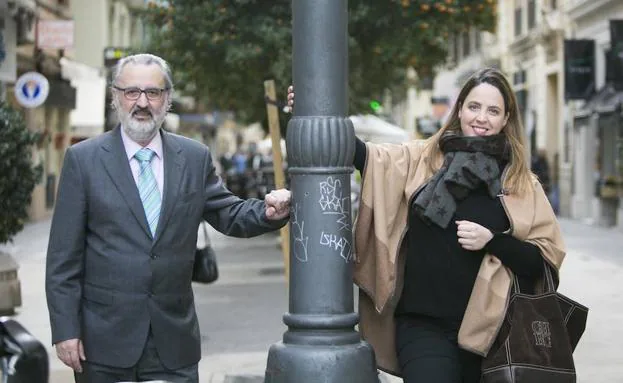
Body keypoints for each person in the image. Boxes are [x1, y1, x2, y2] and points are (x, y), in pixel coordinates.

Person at [287, 67, 565, 382]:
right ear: (460, 109)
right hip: (422, 326)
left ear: (505, 119)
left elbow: (543, 263)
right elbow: (366, 157)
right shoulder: (423, 159)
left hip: (493, 334)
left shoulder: (520, 183)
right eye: (474, 106)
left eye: (493, 111)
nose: (481, 118)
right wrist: (313, 111)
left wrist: (493, 241)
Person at [46, 53, 291, 383]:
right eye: (132, 92)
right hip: (103, 343)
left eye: (153, 92)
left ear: (168, 99)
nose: (142, 102)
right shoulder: (83, 160)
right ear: (115, 96)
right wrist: (65, 330)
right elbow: (63, 258)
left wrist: (268, 211)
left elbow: (228, 213)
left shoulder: (193, 158)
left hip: (172, 342)